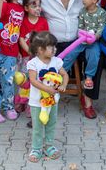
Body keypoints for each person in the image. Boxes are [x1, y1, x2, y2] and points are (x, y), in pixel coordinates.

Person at [37, 0, 101, 119]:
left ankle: (88, 102)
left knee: (96, 59)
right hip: (55, 45)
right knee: (48, 69)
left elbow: (97, 10)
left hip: (81, 42)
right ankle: (45, 106)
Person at [26, 31, 69, 162]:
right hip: (37, 102)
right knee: (38, 126)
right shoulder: (33, 63)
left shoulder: (57, 61)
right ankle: (36, 148)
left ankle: (49, 145)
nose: (54, 49)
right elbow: (33, 81)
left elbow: (65, 75)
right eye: (51, 47)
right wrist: (48, 89)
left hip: (52, 102)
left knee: (51, 124)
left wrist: (63, 85)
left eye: (55, 47)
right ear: (40, 49)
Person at [62, 0, 105, 90]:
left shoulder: (101, 12)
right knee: (70, 53)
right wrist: (81, 36)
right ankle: (61, 72)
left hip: (94, 42)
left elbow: (101, 28)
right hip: (81, 41)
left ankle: (89, 77)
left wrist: (94, 37)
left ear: (94, 0)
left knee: (94, 56)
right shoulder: (82, 11)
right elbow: (80, 27)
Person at [17, 0, 49, 116]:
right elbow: (20, 39)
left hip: (39, 58)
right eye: (33, 5)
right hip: (26, 57)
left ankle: (32, 104)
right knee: (24, 80)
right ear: (26, 8)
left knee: (36, 81)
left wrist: (40, 53)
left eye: (39, 5)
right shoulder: (23, 22)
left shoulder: (43, 21)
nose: (37, 8)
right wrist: (30, 52)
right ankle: (22, 101)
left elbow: (46, 38)